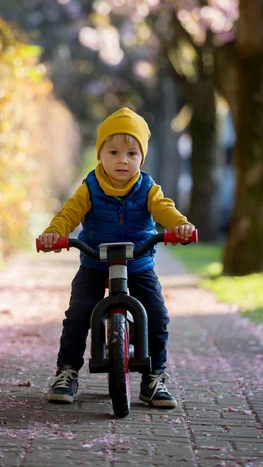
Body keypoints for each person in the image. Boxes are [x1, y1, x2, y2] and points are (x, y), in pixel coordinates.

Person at [37, 107, 195, 409]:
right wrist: (53, 233)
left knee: (157, 315)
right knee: (78, 313)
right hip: (95, 261)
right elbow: (69, 213)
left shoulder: (147, 188)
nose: (123, 160)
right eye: (114, 152)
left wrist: (180, 226)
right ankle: (66, 372)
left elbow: (164, 208)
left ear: (141, 159)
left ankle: (153, 378)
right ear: (100, 155)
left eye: (132, 154)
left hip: (138, 262)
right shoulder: (90, 187)